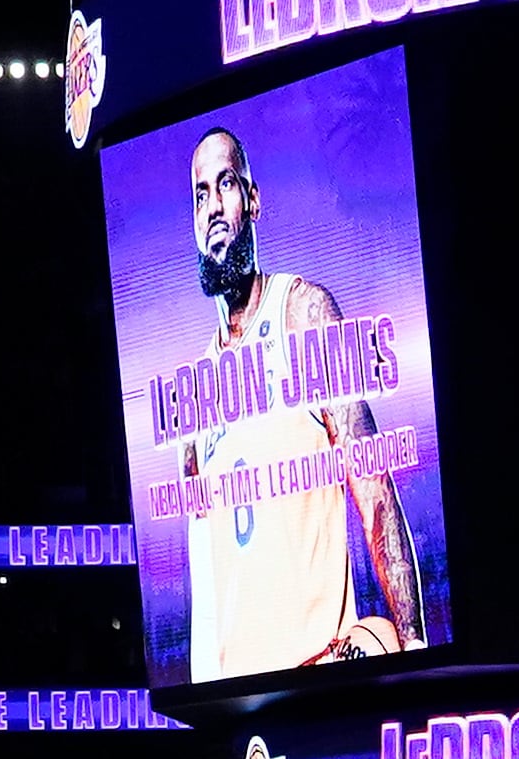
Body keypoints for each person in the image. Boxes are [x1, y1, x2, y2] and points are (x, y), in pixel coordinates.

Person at [163, 119, 430, 676]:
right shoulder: (194, 390)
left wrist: (416, 653)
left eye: (227, 184)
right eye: (200, 195)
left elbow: (375, 496)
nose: (213, 206)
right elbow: (207, 592)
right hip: (246, 703)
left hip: (320, 684)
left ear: (253, 202)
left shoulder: (302, 314)